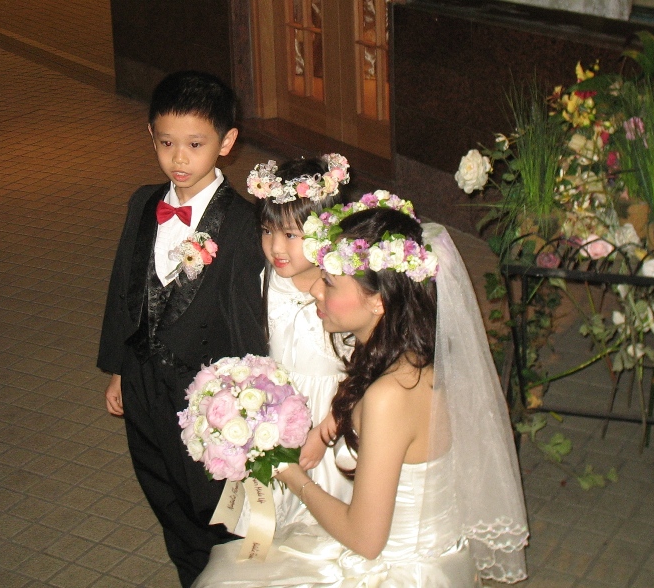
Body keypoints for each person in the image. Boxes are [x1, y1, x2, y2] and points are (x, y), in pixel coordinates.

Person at [194, 193, 529, 587]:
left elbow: (366, 541)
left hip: (394, 567)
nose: (316, 290)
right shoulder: (401, 355)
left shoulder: (391, 393)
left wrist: (287, 471)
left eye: (330, 282)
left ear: (377, 302)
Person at [96, 70, 267, 587]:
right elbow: (125, 287)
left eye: (195, 144)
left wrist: (248, 399)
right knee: (163, 489)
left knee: (215, 503)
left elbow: (247, 317)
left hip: (208, 395)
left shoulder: (242, 223)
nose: (179, 159)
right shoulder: (144, 203)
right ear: (151, 135)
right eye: (166, 143)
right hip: (145, 382)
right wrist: (117, 368)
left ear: (227, 143)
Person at [233, 154, 353, 535]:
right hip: (276, 417)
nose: (276, 248)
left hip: (333, 419)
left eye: (291, 235)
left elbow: (364, 374)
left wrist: (323, 434)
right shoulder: (264, 281)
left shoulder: (346, 292)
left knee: (327, 527)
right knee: (270, 530)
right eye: (268, 231)